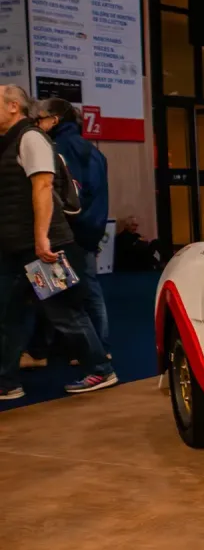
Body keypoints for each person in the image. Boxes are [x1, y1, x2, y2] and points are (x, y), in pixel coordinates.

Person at [0, 86, 115, 398]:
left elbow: (43, 187)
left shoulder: (31, 139)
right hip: (13, 247)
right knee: (8, 314)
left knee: (63, 312)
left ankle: (100, 369)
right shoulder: (9, 141)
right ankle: (6, 381)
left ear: (14, 106)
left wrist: (42, 240)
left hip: (42, 248)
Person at [22, 99, 111, 367]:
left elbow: (59, 192)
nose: (36, 124)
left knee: (56, 296)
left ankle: (77, 354)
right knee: (83, 290)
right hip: (90, 227)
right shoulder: (92, 150)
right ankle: (96, 349)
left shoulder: (55, 148)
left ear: (55, 119)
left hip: (65, 230)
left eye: (40, 119)